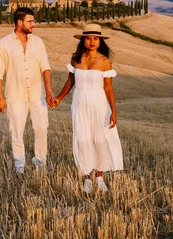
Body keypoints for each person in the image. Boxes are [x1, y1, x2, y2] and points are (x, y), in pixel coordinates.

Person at [52, 23, 123, 194]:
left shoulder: (105, 62)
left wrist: (113, 111)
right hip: (80, 103)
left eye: (95, 39)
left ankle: (99, 177)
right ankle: (86, 179)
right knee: (82, 139)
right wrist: (59, 98)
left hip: (99, 104)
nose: (92, 41)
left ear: (100, 41)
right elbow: (70, 82)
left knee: (100, 140)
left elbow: (108, 88)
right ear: (83, 40)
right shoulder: (76, 59)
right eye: (89, 38)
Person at [0, 7, 54, 174]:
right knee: (17, 132)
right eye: (30, 21)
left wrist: (48, 91)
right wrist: (0, 97)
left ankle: (41, 163)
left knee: (42, 128)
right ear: (20, 22)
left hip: (37, 95)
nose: (33, 24)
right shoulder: (3, 44)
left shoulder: (38, 42)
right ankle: (20, 167)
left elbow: (45, 68)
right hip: (15, 95)